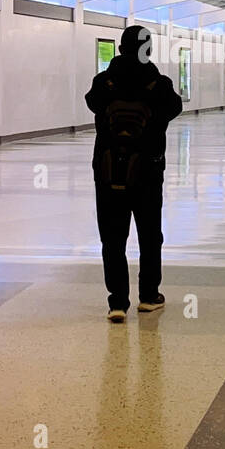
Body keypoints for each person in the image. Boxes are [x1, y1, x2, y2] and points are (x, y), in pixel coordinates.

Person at [85, 24, 183, 323]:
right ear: (148, 49)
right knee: (150, 235)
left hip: (108, 170)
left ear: (120, 48)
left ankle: (117, 302)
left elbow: (92, 104)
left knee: (112, 238)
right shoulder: (159, 84)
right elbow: (174, 109)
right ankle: (149, 296)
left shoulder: (104, 83)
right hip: (148, 170)